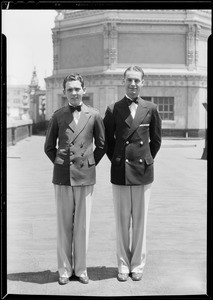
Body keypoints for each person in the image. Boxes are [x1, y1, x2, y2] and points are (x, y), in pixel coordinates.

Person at [44, 74, 105, 285]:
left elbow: (102, 145)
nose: (74, 93)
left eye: (77, 89)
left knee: (82, 225)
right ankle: (64, 270)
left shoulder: (94, 115)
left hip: (85, 177)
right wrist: (62, 163)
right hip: (62, 177)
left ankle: (81, 269)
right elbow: (49, 147)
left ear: (84, 90)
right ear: (64, 92)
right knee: (64, 225)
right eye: (70, 89)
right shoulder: (58, 116)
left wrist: (88, 163)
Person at [103, 66, 161, 282]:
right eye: (129, 80)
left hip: (143, 172)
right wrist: (118, 160)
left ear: (143, 82)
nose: (133, 84)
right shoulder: (113, 109)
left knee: (140, 221)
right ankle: (122, 265)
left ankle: (137, 264)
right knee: (121, 222)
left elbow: (155, 141)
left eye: (137, 80)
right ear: (123, 82)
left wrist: (145, 158)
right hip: (120, 171)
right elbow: (108, 142)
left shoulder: (152, 108)